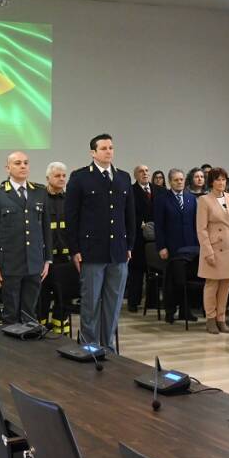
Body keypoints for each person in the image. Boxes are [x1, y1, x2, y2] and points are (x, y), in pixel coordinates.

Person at [65, 134, 135, 352]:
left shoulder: (123, 177)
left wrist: (130, 246)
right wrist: (75, 249)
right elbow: (71, 217)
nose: (108, 151)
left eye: (111, 147)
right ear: (93, 152)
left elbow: (129, 215)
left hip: (118, 252)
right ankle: (90, 347)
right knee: (91, 303)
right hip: (92, 251)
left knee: (113, 304)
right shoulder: (80, 177)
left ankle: (108, 347)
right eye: (103, 148)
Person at [0, 151, 51, 325]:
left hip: (35, 261)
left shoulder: (40, 192)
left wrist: (47, 259)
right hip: (10, 263)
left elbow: (45, 229)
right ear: (8, 168)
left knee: (30, 313)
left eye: (26, 163)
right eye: (18, 163)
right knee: (10, 313)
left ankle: (28, 349)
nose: (23, 166)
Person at [196, 167, 229, 334]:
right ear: (211, 182)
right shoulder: (204, 200)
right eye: (217, 179)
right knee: (212, 284)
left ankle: (221, 318)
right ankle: (210, 318)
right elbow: (201, 229)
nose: (221, 182)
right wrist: (208, 251)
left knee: (226, 284)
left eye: (223, 179)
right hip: (214, 247)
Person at [154, 168, 200, 324]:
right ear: (170, 182)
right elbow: (158, 225)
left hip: (190, 247)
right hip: (171, 247)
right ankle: (170, 311)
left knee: (186, 279)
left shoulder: (191, 198)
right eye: (176, 180)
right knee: (171, 280)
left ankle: (185, 311)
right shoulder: (162, 199)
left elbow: (195, 223)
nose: (179, 182)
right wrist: (161, 247)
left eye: (181, 179)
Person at [38, 162, 70, 333]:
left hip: (64, 258)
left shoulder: (70, 200)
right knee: (42, 297)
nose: (61, 179)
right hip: (44, 260)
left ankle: (61, 334)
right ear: (48, 178)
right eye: (57, 175)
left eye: (64, 175)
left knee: (62, 298)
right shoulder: (40, 199)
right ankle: (40, 331)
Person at [128, 164, 155, 312]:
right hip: (138, 237)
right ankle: (133, 302)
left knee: (153, 270)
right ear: (136, 175)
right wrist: (141, 224)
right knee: (136, 272)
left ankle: (152, 301)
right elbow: (128, 213)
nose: (144, 173)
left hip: (155, 237)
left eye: (146, 170)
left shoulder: (159, 190)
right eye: (141, 171)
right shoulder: (131, 191)